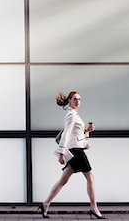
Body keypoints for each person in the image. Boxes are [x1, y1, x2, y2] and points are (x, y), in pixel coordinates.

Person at [37, 91, 106, 219]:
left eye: (79, 99)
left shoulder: (75, 114)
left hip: (77, 149)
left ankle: (45, 204)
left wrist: (87, 130)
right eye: (74, 99)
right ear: (69, 100)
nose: (77, 101)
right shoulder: (71, 115)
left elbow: (76, 134)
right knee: (90, 177)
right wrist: (61, 153)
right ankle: (93, 207)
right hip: (77, 151)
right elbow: (66, 133)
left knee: (63, 180)